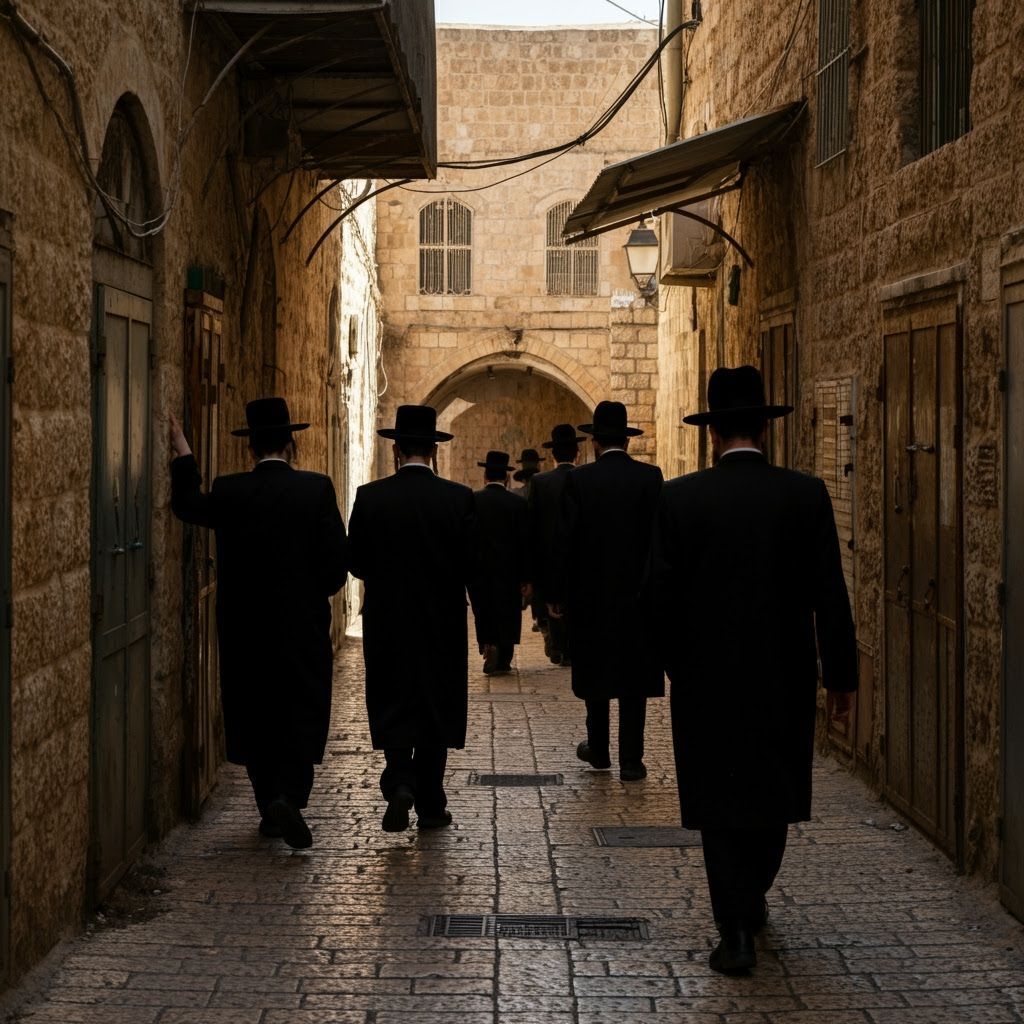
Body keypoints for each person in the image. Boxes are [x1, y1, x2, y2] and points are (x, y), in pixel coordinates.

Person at [646, 365, 857, 975]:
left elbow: (656, 595)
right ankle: (751, 896)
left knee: (717, 801)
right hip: (782, 677)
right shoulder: (804, 495)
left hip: (705, 681)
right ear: (764, 430)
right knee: (771, 793)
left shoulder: (680, 500)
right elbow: (830, 594)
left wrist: (671, 664)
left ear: (713, 434)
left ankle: (734, 924)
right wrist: (840, 676)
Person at [169, 397, 348, 850]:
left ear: (251, 449)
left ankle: (269, 803)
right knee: (300, 708)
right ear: (291, 445)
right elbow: (333, 572)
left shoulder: (230, 492)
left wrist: (183, 452)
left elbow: (188, 505)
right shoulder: (317, 489)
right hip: (302, 628)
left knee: (255, 710)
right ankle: (290, 795)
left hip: (245, 629)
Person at [347, 405, 476, 833]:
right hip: (441, 622)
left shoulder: (370, 497)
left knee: (392, 697)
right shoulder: (458, 499)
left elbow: (357, 562)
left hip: (388, 622)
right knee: (436, 705)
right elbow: (472, 565)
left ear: (397, 450)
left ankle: (400, 778)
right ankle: (432, 802)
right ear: (434, 452)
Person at [548, 400, 664, 781]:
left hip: (591, 597)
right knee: (634, 677)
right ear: (627, 441)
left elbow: (564, 543)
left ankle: (598, 748)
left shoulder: (578, 481)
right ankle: (632, 759)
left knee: (596, 672)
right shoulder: (651, 478)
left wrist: (559, 596)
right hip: (641, 599)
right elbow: (659, 542)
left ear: (594, 442)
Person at [468, 450, 531, 676]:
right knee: (508, 611)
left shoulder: (473, 500)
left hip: (480, 569)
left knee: (483, 609)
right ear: (506, 477)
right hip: (509, 571)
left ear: (485, 476)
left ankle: (488, 644)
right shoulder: (517, 503)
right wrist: (526, 577)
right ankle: (504, 657)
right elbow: (525, 542)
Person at [527, 423, 584, 666]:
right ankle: (573, 647)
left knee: (553, 607)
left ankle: (558, 645)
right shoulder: (585, 478)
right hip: (579, 558)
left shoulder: (540, 482)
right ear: (577, 453)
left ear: (552, 454)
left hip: (548, 559)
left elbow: (533, 526)